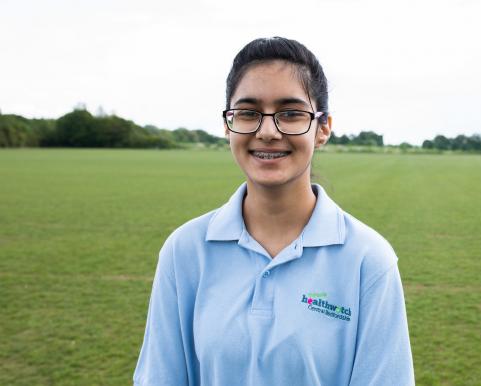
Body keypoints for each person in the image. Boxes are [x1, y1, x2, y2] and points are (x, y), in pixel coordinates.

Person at [133, 37, 414, 385]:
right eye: (249, 113)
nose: (267, 132)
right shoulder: (185, 250)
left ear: (322, 128)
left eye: (291, 114)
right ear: (227, 125)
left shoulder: (368, 259)